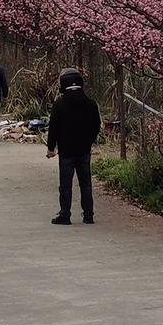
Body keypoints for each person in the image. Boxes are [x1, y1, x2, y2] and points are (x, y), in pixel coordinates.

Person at [46, 67, 102, 225]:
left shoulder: (59, 104)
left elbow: (54, 128)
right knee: (85, 183)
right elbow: (96, 125)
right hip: (84, 150)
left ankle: (65, 214)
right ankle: (88, 215)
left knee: (65, 184)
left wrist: (51, 148)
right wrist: (89, 141)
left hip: (66, 151)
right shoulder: (91, 104)